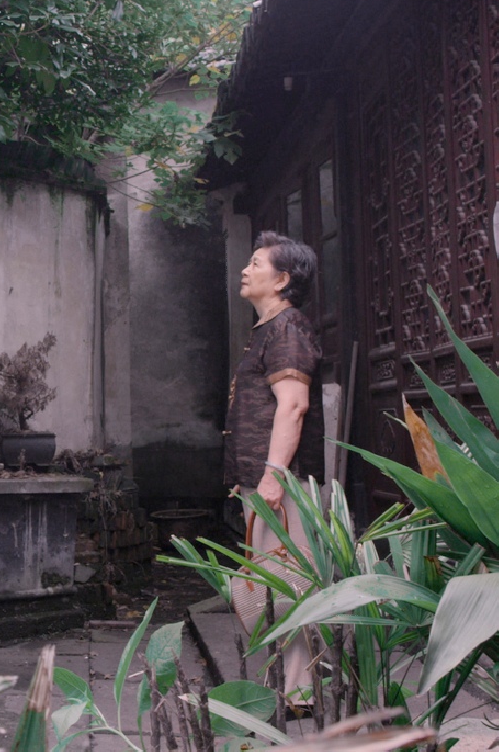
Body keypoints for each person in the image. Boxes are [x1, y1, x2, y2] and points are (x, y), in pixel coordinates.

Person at [222, 230, 324, 706]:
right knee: (272, 582)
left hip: (281, 482)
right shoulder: (268, 328)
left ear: (282, 279)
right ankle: (288, 687)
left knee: (289, 584)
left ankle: (300, 693)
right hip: (262, 479)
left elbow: (293, 406)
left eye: (256, 263)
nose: (246, 270)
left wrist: (273, 475)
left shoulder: (288, 328)